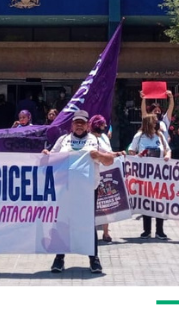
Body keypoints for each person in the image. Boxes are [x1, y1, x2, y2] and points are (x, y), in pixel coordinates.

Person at [43, 110, 117, 274]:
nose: (79, 125)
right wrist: (46, 155)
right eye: (76, 122)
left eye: (82, 122)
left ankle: (93, 258)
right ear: (72, 124)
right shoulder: (63, 140)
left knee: (88, 224)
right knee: (62, 223)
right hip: (64, 190)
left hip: (88, 191)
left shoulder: (95, 141)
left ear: (87, 125)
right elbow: (51, 157)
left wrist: (98, 155)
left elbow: (110, 160)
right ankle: (59, 258)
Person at [129, 114, 172, 240]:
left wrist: (167, 156)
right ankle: (146, 230)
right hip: (145, 175)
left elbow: (167, 150)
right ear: (148, 123)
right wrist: (138, 156)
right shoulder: (139, 136)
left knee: (160, 203)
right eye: (154, 121)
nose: (156, 123)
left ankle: (160, 230)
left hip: (159, 175)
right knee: (146, 203)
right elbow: (131, 151)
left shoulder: (160, 136)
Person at [89, 114, 120, 242]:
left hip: (107, 173)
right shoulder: (90, 139)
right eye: (103, 124)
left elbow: (108, 152)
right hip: (95, 175)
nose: (105, 126)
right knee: (93, 207)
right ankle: (92, 233)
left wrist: (118, 153)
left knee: (106, 204)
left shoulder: (104, 137)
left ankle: (106, 232)